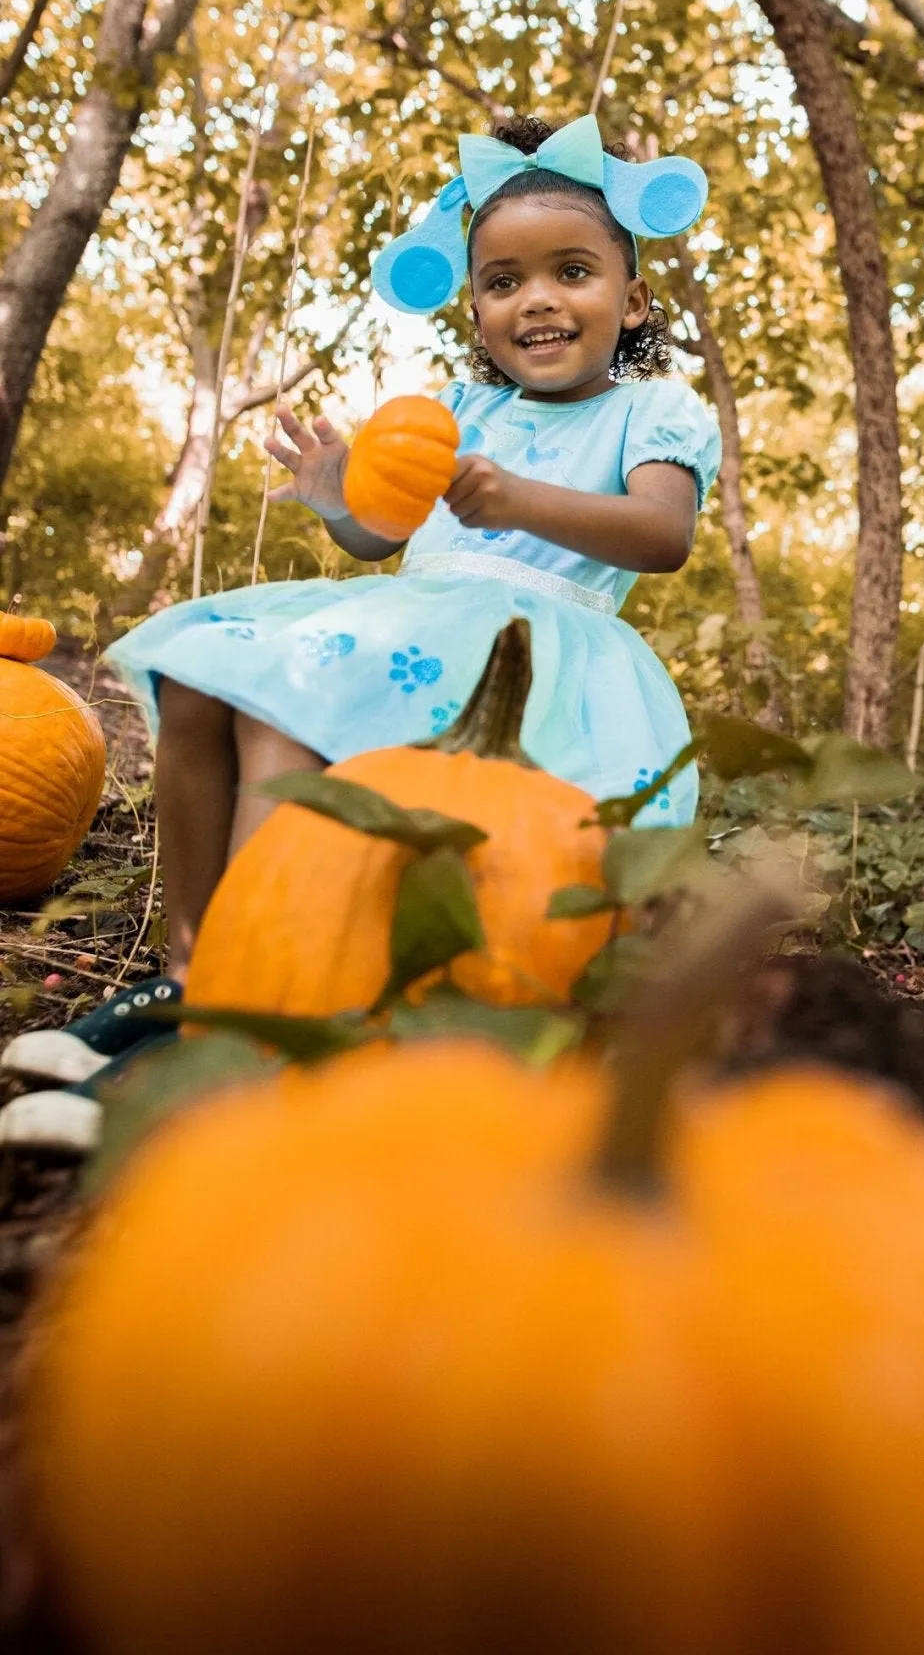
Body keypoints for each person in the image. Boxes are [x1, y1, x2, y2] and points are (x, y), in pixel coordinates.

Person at [0, 113, 720, 1148]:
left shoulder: (650, 411)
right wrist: (339, 495)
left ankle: (247, 1030)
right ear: (475, 309)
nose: (538, 300)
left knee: (287, 725)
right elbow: (382, 541)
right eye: (504, 281)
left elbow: (661, 533)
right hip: (411, 619)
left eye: (571, 271)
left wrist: (514, 498)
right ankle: (194, 969)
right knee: (212, 679)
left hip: (537, 648)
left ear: (632, 297)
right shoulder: (457, 410)